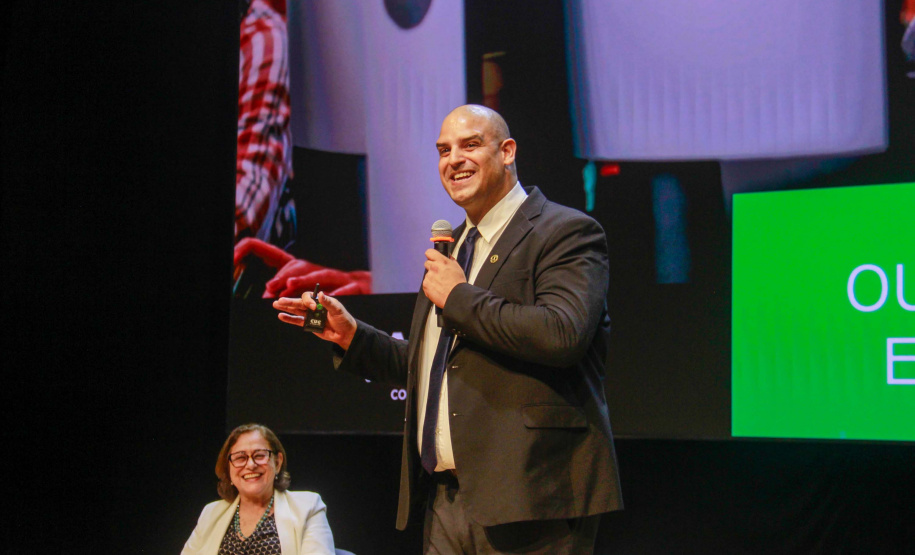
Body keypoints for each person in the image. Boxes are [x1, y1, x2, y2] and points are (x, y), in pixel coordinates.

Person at [273, 105, 622, 553]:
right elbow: (434, 364)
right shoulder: (451, 248)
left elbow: (562, 333)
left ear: (507, 151)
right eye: (443, 150)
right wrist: (352, 335)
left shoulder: (565, 231)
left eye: (469, 145)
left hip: (535, 497)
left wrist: (458, 297)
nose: (452, 159)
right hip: (445, 501)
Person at [182, 423, 335, 554]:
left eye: (259, 455)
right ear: (229, 469)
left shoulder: (307, 506)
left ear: (277, 462)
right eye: (240, 458)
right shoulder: (211, 513)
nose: (250, 465)